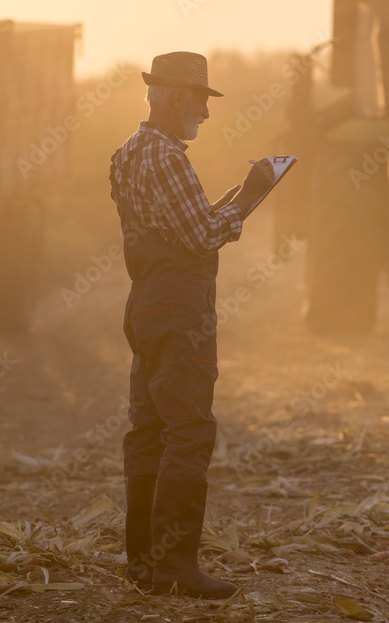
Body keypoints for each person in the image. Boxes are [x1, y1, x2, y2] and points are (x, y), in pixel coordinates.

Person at [109, 51, 275, 599]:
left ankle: (144, 565)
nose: (205, 111)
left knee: (150, 430)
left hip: (144, 305)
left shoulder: (128, 153)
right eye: (202, 99)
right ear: (178, 96)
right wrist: (252, 195)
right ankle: (177, 570)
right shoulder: (168, 157)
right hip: (181, 313)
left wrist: (225, 205)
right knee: (189, 430)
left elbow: (180, 224)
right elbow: (202, 236)